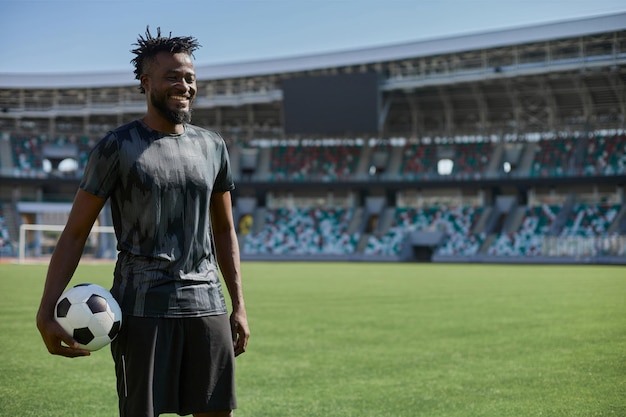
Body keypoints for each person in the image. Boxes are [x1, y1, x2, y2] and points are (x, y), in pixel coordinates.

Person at [36, 27, 250, 417]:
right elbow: (75, 232)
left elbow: (223, 230)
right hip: (142, 307)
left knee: (217, 412)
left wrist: (238, 305)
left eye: (189, 77)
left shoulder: (212, 145)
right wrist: (46, 309)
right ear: (145, 82)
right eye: (172, 76)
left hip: (207, 304)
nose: (183, 85)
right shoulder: (116, 147)